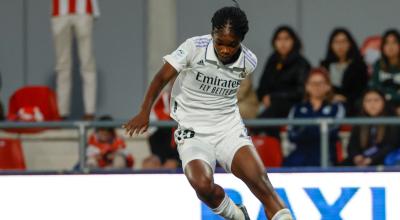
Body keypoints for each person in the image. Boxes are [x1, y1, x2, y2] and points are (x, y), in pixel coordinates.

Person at [124, 6, 292, 220]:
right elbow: (160, 78)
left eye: (231, 44)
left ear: (241, 40)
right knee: (202, 186)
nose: (224, 49)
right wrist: (144, 111)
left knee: (263, 186)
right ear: (212, 34)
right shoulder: (194, 47)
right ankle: (237, 216)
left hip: (228, 128)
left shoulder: (249, 62)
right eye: (219, 42)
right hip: (192, 130)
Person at [256, 25, 311, 137]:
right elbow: (262, 86)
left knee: (273, 111)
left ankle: (258, 134)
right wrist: (264, 96)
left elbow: (301, 92)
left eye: (286, 39)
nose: (283, 43)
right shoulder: (272, 61)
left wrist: (273, 97)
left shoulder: (301, 63)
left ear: (294, 41)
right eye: (279, 39)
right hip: (269, 105)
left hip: (292, 105)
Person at [285, 68, 345, 166]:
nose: (316, 87)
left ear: (328, 86)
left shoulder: (336, 107)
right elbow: (291, 134)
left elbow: (333, 131)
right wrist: (315, 129)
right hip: (299, 155)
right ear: (307, 86)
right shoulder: (297, 108)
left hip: (326, 154)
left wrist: (305, 130)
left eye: (320, 83)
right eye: (313, 83)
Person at [51, 0, 100, 120]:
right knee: (62, 64)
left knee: (87, 62)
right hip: (60, 11)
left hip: (84, 9)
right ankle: (62, 112)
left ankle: (90, 111)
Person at [341, 89, 399, 166]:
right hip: (362, 160)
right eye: (368, 101)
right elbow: (352, 145)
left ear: (384, 102)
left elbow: (391, 146)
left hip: (383, 161)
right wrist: (356, 156)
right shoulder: (359, 122)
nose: (372, 104)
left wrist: (371, 159)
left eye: (376, 100)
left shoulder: (392, 121)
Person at [321, 28, 368, 116]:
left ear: (350, 44)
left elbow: (362, 89)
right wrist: (332, 97)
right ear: (331, 45)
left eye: (344, 41)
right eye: (336, 42)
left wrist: (345, 98)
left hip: (352, 104)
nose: (340, 45)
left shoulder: (359, 65)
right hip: (328, 102)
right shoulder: (324, 66)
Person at [370, 29, 400, 115]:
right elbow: (375, 87)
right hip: (382, 105)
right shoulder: (378, 64)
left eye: (394, 42)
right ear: (382, 47)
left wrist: (389, 95)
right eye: (387, 43)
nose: (391, 46)